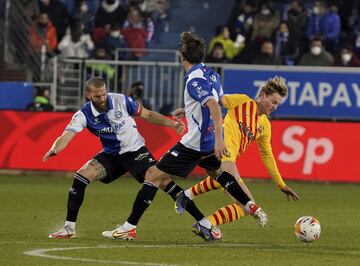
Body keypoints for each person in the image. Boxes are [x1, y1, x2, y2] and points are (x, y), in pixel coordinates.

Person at [102, 31, 267, 242]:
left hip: (196, 142)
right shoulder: (212, 74)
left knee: (152, 175)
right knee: (220, 175)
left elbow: (214, 106)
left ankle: (129, 227)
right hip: (207, 141)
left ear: (183, 58)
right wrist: (188, 109)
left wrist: (220, 139)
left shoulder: (193, 80)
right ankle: (250, 205)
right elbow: (219, 99)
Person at [44, 77, 185, 239]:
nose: (102, 99)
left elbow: (147, 114)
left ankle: (202, 220)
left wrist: (173, 124)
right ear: (88, 95)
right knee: (80, 177)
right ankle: (69, 228)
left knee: (165, 183)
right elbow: (67, 135)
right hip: (112, 155)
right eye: (97, 96)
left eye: (104, 94)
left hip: (135, 151)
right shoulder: (83, 114)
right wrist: (54, 149)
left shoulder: (120, 100)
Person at [174, 76, 299, 229]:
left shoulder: (265, 126)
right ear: (263, 95)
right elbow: (212, 102)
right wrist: (187, 110)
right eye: (273, 101)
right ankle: (202, 219)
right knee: (245, 199)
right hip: (219, 150)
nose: (274, 107)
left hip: (229, 160)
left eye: (277, 104)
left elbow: (267, 155)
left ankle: (199, 214)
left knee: (244, 206)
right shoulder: (243, 101)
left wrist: (281, 184)